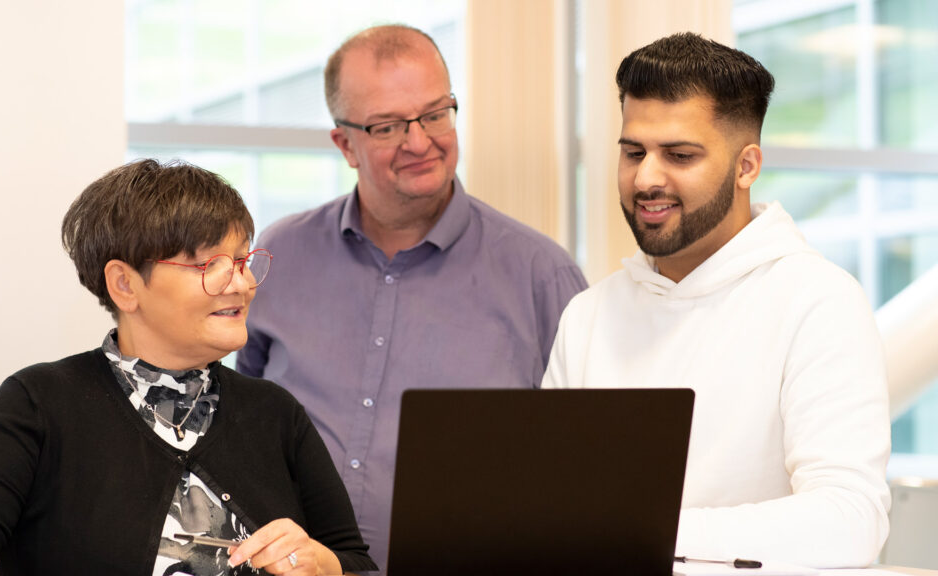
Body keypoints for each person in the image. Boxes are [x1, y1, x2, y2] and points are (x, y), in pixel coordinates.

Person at [0, 159, 377, 576]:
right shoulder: (39, 403)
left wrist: (323, 565)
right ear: (125, 285)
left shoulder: (275, 413)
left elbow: (351, 559)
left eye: (242, 260)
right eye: (210, 264)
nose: (242, 283)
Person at [235, 24, 587, 571]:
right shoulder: (278, 257)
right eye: (387, 126)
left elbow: (583, 467)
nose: (420, 142)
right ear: (345, 144)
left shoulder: (542, 275)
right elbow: (242, 423)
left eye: (435, 114)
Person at [543, 33, 891, 569]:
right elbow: (552, 508)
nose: (646, 178)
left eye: (679, 155)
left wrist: (645, 528)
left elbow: (851, 520)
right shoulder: (589, 315)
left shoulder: (818, 302)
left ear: (746, 167)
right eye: (633, 152)